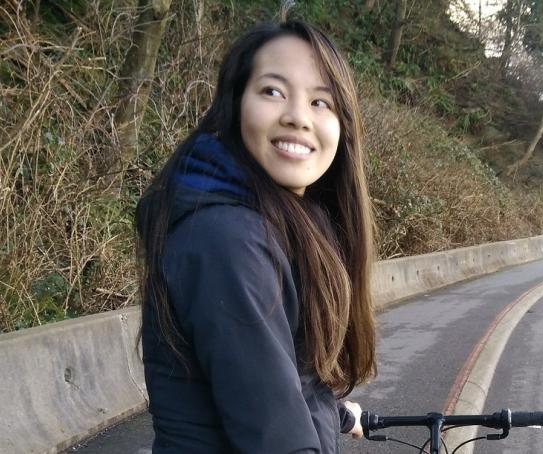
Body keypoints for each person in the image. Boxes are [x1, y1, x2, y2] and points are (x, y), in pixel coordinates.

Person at [136, 18, 377, 453]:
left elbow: (276, 378)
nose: (297, 117)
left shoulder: (281, 222)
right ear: (235, 106)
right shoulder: (227, 239)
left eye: (321, 102)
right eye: (273, 91)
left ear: (343, 126)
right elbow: (275, 434)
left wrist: (339, 414)